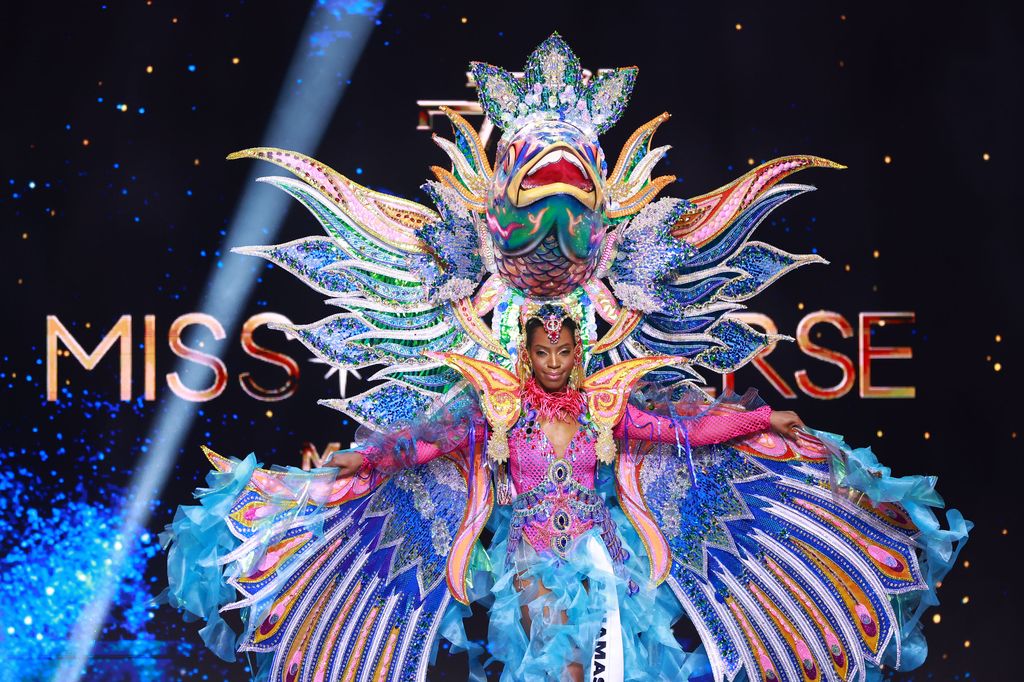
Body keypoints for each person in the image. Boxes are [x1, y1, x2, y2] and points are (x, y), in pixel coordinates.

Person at [162, 33, 969, 682]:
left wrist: (764, 417)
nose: (552, 351)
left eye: (563, 342)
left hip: (608, 560)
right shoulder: (493, 406)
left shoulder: (607, 401)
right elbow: (429, 445)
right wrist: (362, 467)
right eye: (542, 342)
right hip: (531, 568)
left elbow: (685, 433)